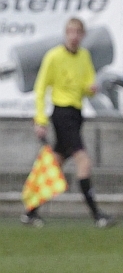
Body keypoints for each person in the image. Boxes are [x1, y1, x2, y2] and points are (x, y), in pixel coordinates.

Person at [23, 17, 112, 228]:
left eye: (77, 32)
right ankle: (97, 215)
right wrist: (40, 120)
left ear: (83, 35)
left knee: (55, 164)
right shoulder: (53, 56)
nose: (74, 36)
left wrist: (91, 89)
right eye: (70, 32)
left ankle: (30, 212)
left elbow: (86, 86)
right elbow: (41, 88)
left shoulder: (84, 56)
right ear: (65, 34)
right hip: (61, 113)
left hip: (76, 114)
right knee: (83, 161)